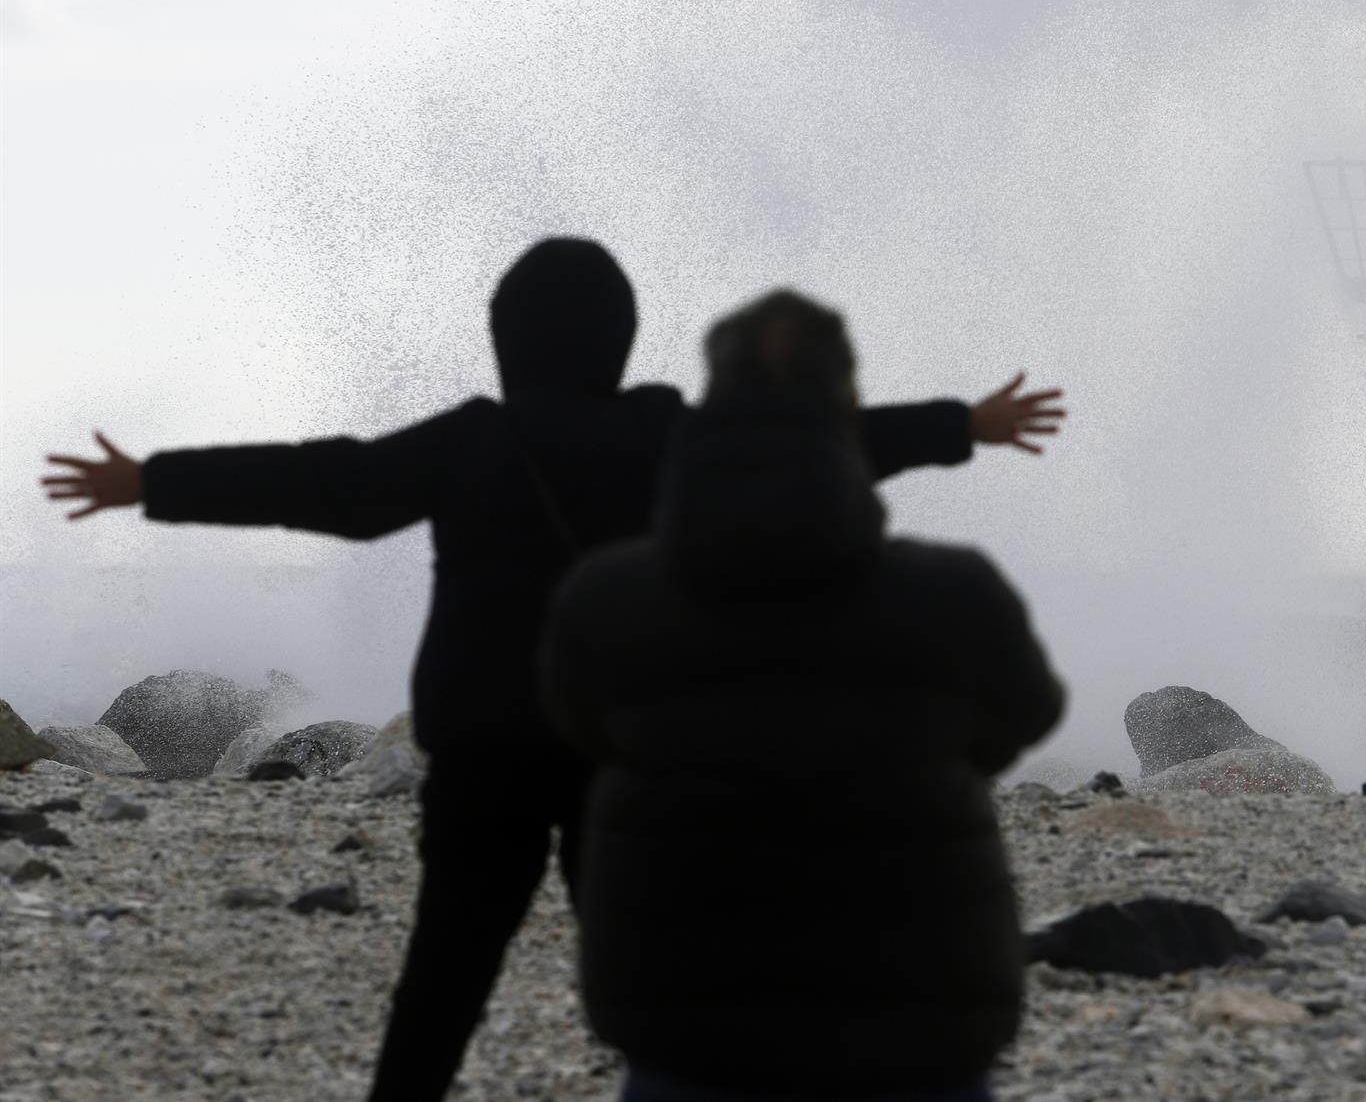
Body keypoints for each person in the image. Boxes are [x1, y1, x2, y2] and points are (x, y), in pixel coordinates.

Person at [39, 238, 1067, 1101]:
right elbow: (818, 442)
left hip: (483, 753)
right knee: (664, 969)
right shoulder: (666, 431)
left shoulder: (472, 443)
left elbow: (330, 481)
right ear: (618, 340)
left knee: (443, 973)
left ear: (505, 339)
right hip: (611, 747)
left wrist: (150, 481)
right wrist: (961, 425)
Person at [540, 290, 1066, 1102]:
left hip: (689, 1027)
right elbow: (1026, 714)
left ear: (709, 401)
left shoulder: (606, 601)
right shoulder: (954, 595)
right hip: (913, 1021)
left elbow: (579, 723)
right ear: (850, 405)